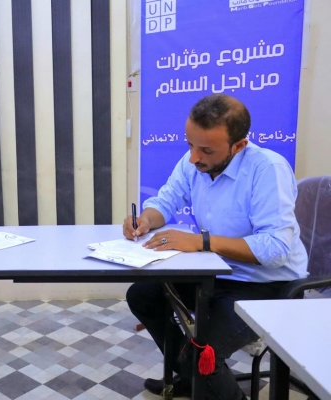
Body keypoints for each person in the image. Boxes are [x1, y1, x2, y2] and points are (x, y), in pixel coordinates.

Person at [123, 94, 307, 399]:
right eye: (190, 145)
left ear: (239, 146)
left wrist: (201, 242)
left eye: (206, 150)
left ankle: (197, 375)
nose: (194, 157)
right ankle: (191, 380)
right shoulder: (195, 162)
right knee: (143, 295)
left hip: (268, 286)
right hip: (215, 273)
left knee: (200, 354)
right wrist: (144, 220)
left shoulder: (267, 169)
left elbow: (275, 250)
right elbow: (166, 201)